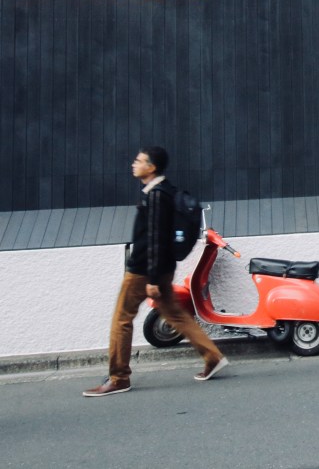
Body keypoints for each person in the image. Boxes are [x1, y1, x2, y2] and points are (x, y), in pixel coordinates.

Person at [83, 147, 228, 396]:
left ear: (151, 167)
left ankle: (118, 378)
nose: (134, 164)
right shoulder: (164, 191)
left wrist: (151, 278)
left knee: (121, 319)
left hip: (144, 270)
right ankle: (213, 357)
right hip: (161, 268)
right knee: (175, 314)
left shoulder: (156, 196)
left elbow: (155, 238)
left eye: (139, 161)